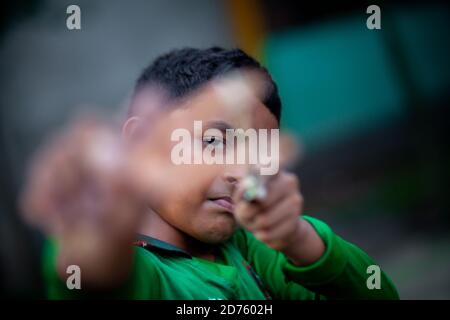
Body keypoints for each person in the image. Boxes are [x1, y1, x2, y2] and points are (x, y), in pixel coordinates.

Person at [22, 47, 399, 299]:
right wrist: (99, 237)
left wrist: (297, 237)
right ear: (140, 140)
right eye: (215, 142)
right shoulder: (143, 272)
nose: (240, 171)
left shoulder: (252, 247)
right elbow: (100, 275)